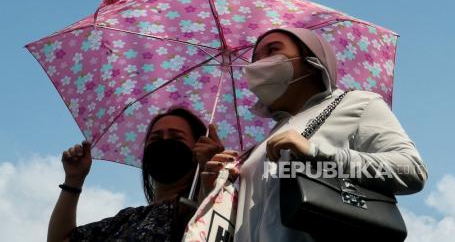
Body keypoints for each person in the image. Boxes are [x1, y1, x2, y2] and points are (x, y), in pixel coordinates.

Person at [202, 28, 428, 242]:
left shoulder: (357, 103)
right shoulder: (260, 146)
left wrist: (317, 153)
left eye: (272, 50)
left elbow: (411, 170)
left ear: (312, 61)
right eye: (255, 59)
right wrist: (215, 184)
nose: (259, 64)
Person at [47, 107, 224, 242]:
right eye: (154, 139)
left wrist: (210, 174)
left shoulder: (207, 206)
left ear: (198, 149)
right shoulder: (128, 219)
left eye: (176, 138)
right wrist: (74, 180)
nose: (164, 142)